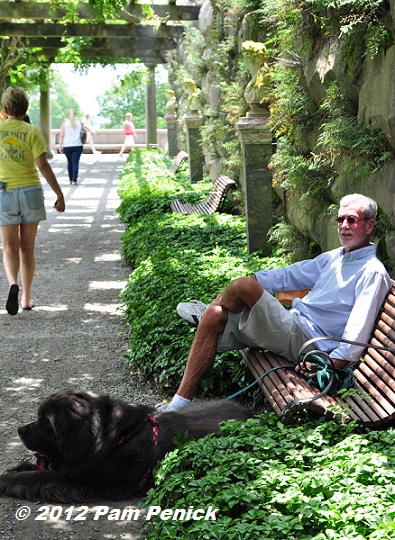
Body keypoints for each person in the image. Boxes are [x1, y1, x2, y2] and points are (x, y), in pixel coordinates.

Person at [158, 193, 392, 412]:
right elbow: (291, 275)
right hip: (294, 325)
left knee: (242, 287)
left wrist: (330, 364)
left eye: (352, 220)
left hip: (311, 344)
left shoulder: (372, 272)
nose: (344, 225)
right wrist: (258, 280)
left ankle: (214, 304)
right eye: (340, 219)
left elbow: (355, 336)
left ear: (369, 225)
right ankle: (177, 406)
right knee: (215, 316)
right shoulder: (335, 258)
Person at [0, 86, 65, 315]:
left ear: (5, 108)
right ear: (25, 108)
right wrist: (59, 194)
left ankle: (12, 284)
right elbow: (43, 165)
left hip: (4, 192)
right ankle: (26, 298)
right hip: (30, 192)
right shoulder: (32, 131)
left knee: (9, 247)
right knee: (27, 248)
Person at [58, 109, 83, 185]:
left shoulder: (65, 123)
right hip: (78, 145)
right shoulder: (79, 123)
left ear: (68, 115)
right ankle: (75, 179)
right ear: (75, 115)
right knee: (75, 163)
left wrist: (60, 146)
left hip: (67, 146)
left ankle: (70, 179)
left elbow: (61, 136)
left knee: (69, 162)